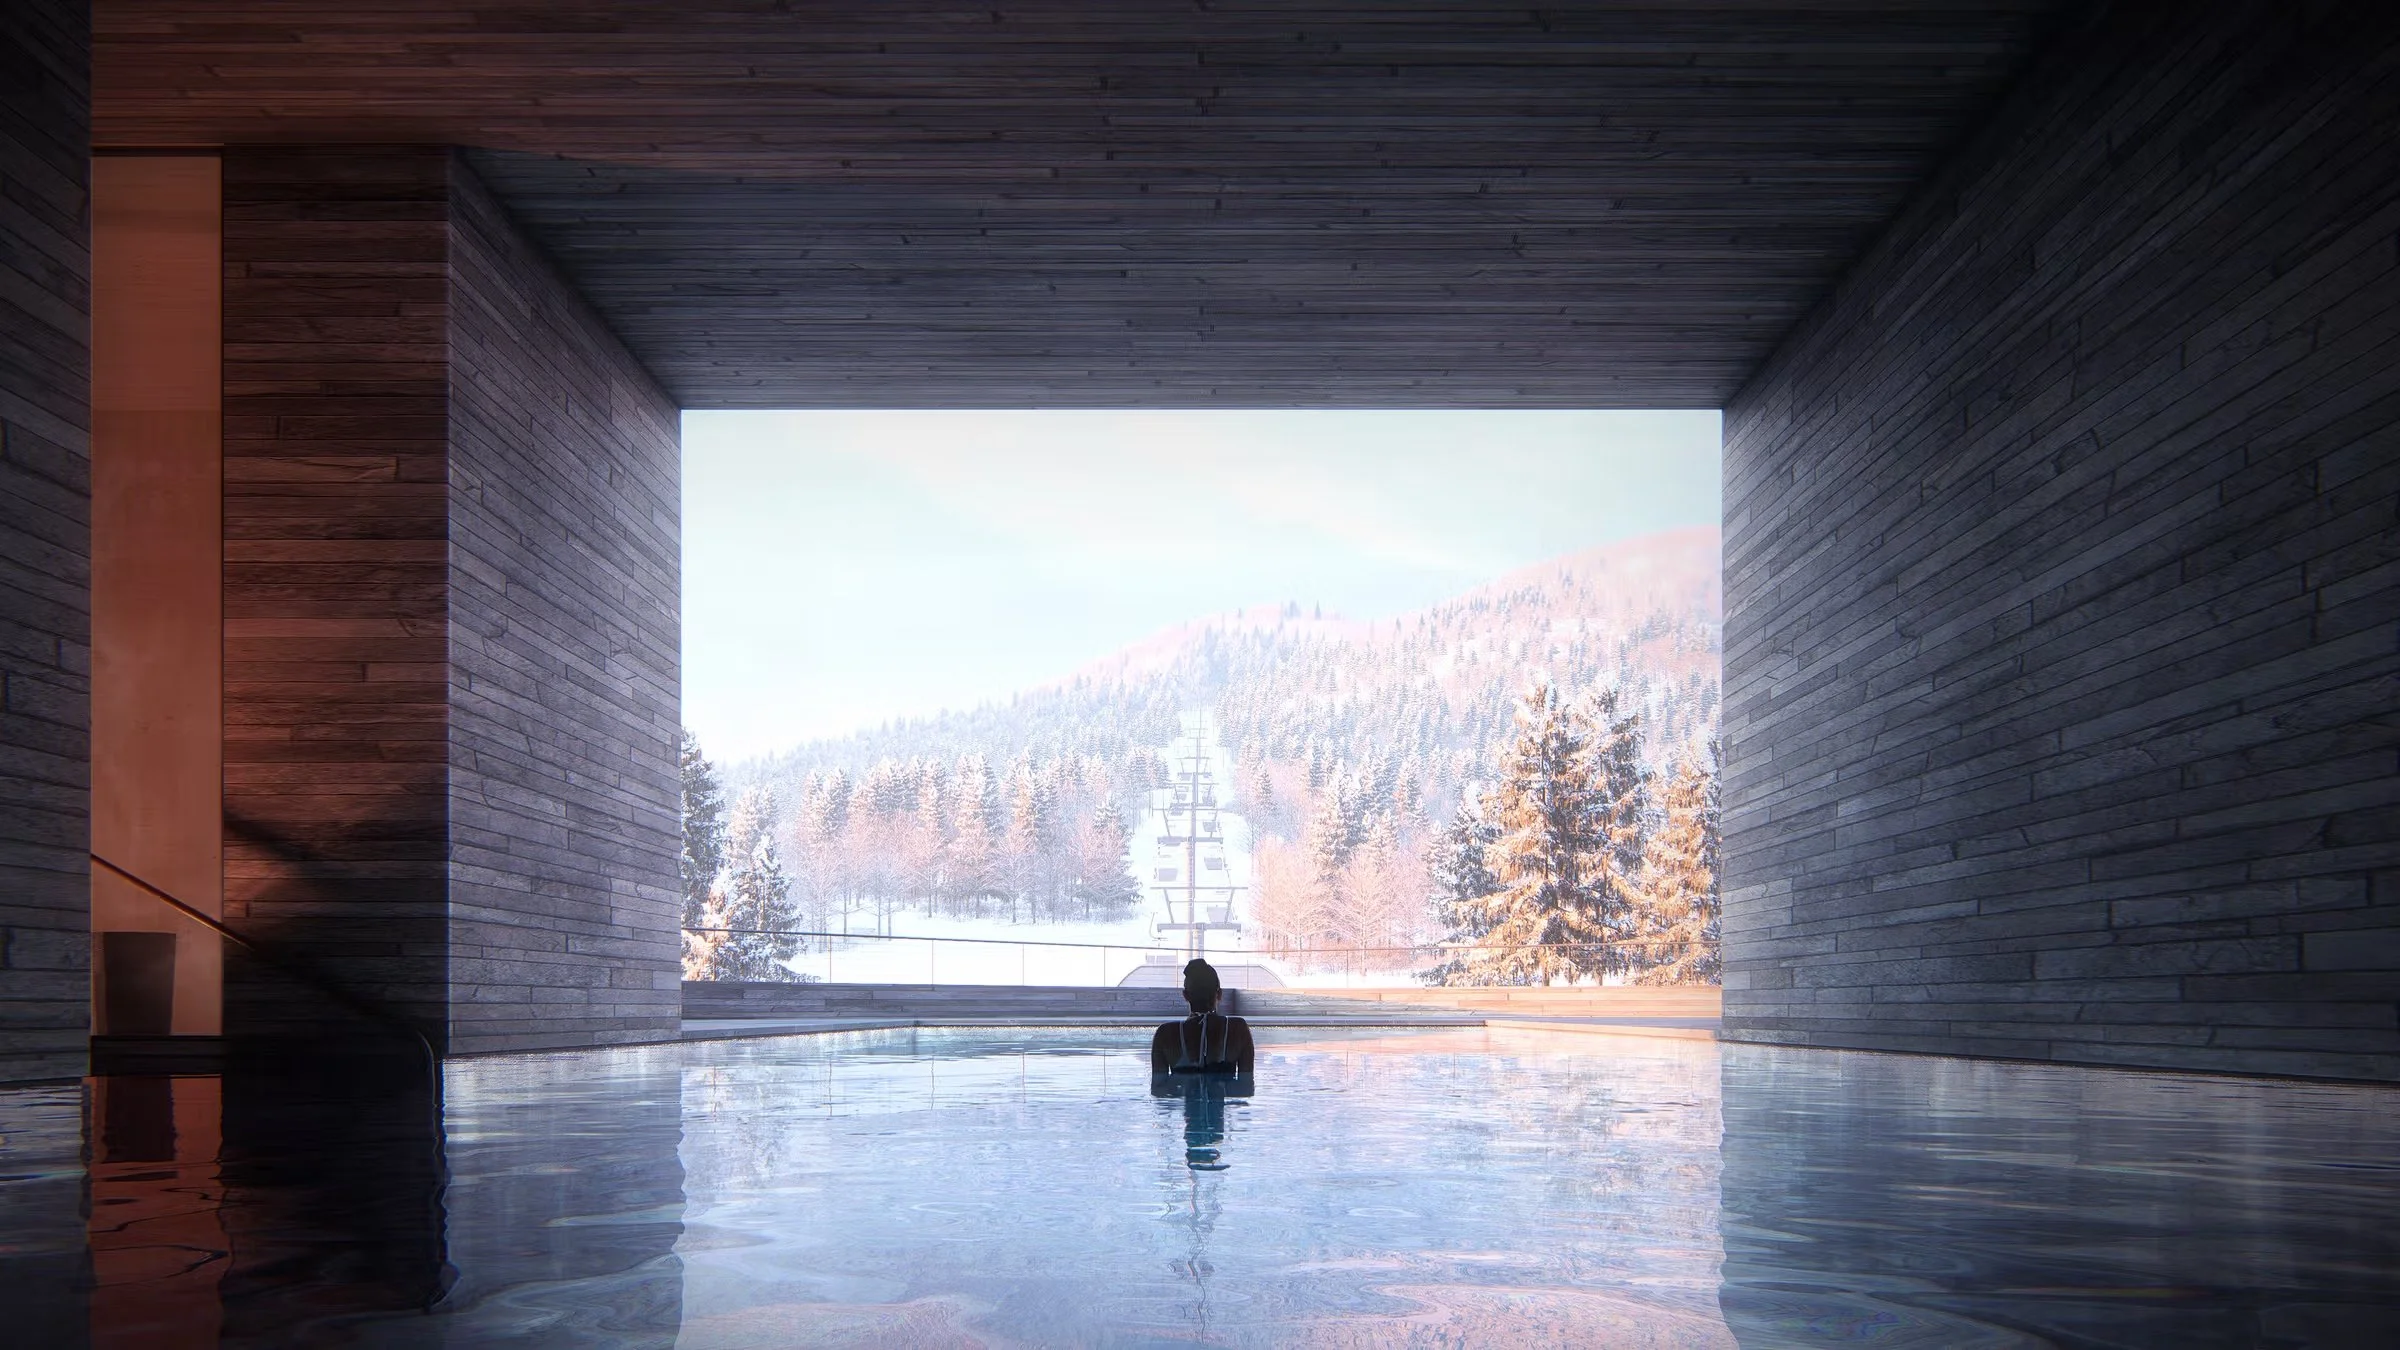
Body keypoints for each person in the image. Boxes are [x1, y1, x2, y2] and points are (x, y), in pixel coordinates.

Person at [1150, 957, 1255, 1076]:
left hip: (1184, 1092)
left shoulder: (1165, 1034)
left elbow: (1159, 1088)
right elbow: (1246, 1087)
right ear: (1219, 994)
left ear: (1185, 995)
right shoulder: (1238, 1029)